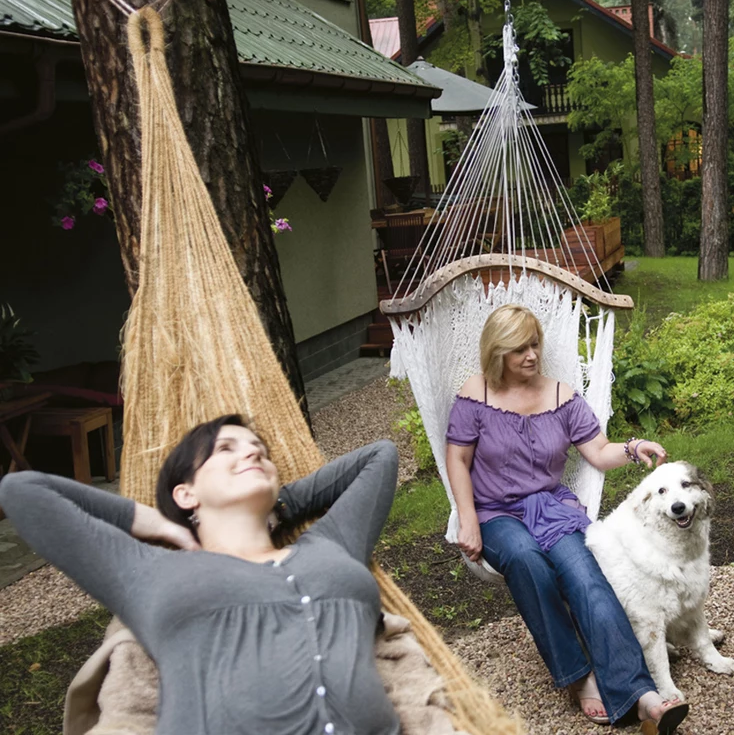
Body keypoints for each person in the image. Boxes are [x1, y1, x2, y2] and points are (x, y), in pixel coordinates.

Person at [0, 414, 401, 734]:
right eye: (225, 448)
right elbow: (23, 491)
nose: (253, 454)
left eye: (260, 451)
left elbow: (380, 457)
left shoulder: (331, 547)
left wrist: (278, 502)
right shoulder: (150, 571)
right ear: (185, 493)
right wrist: (158, 524)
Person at [446, 304, 687, 733]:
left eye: (535, 344)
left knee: (585, 577)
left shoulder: (560, 395)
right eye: (519, 348)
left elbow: (597, 450)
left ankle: (642, 695)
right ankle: (580, 676)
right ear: (497, 351)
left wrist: (633, 448)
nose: (531, 355)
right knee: (525, 561)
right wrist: (467, 519)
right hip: (496, 512)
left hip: (551, 508)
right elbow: (458, 459)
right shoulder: (475, 394)